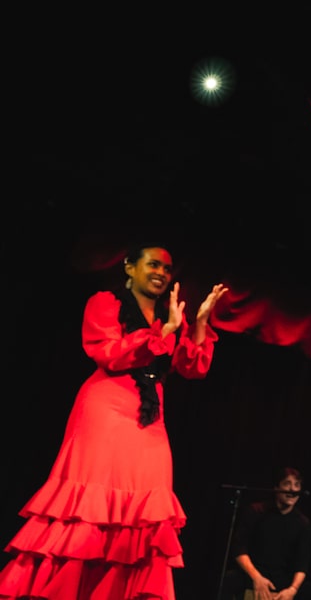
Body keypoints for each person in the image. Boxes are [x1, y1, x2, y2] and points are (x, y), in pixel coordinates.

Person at [0, 243, 227, 599]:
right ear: (129, 267)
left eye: (167, 269)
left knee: (147, 511)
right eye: (153, 265)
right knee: (91, 507)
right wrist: (162, 332)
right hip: (106, 406)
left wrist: (197, 324)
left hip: (150, 414)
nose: (161, 274)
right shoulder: (106, 302)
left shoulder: (171, 312)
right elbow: (108, 353)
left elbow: (191, 367)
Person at [227, 467, 311, 600]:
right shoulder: (256, 511)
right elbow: (239, 548)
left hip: (283, 579)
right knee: (228, 580)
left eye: (296, 485)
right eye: (287, 484)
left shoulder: (303, 523)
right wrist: (256, 578)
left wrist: (292, 590)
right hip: (254, 574)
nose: (292, 489)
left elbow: (302, 564)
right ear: (276, 488)